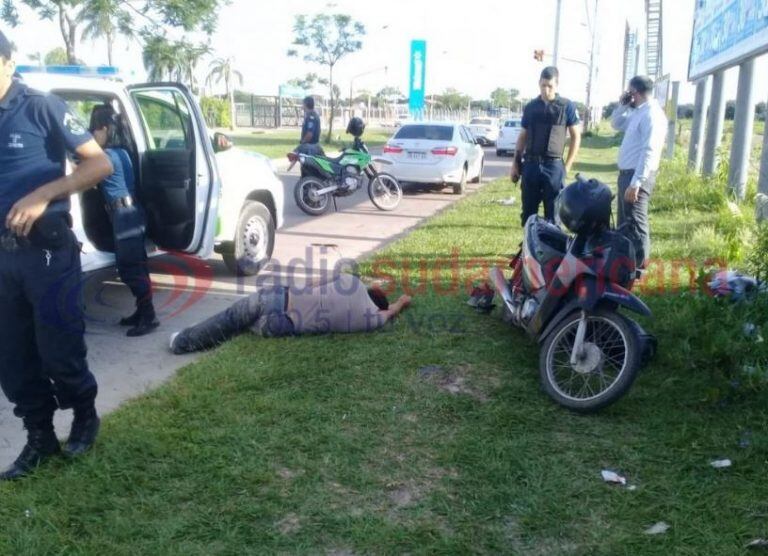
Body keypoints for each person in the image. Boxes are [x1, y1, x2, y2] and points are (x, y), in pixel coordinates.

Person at [0, 31, 113, 480]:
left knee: (59, 349)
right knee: (12, 357)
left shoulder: (40, 106)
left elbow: (98, 163)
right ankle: (40, 438)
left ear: (7, 61)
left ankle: (84, 414)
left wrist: (45, 193)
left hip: (45, 250)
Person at [168, 273, 412, 354]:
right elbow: (393, 310)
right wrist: (400, 303)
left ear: (373, 290)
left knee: (232, 316)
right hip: (278, 326)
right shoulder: (370, 321)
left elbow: (313, 283)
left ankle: (183, 341)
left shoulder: (352, 280)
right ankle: (185, 341)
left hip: (278, 299)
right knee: (240, 324)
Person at [89, 105, 158, 337]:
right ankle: (143, 311)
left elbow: (86, 179)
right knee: (137, 265)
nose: (92, 135)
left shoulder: (107, 157)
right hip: (131, 214)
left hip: (124, 216)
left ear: (105, 129)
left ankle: (149, 317)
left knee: (129, 268)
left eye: (95, 130)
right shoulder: (122, 152)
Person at [510, 66, 582, 226]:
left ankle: (552, 249)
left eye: (550, 86)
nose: (546, 89)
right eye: (543, 85)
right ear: (539, 84)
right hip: (531, 165)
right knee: (528, 213)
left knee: (554, 214)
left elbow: (576, 137)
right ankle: (529, 247)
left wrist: (567, 166)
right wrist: (515, 163)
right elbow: (522, 137)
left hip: (554, 166)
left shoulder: (567, 106)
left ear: (556, 85)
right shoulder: (531, 107)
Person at [610, 75, 667, 267]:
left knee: (636, 222)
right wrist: (622, 105)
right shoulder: (639, 112)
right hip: (628, 174)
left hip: (637, 176)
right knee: (625, 222)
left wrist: (636, 183)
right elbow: (616, 123)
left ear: (635, 92)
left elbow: (649, 151)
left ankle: (640, 266)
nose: (628, 96)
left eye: (629, 92)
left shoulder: (652, 114)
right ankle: (626, 263)